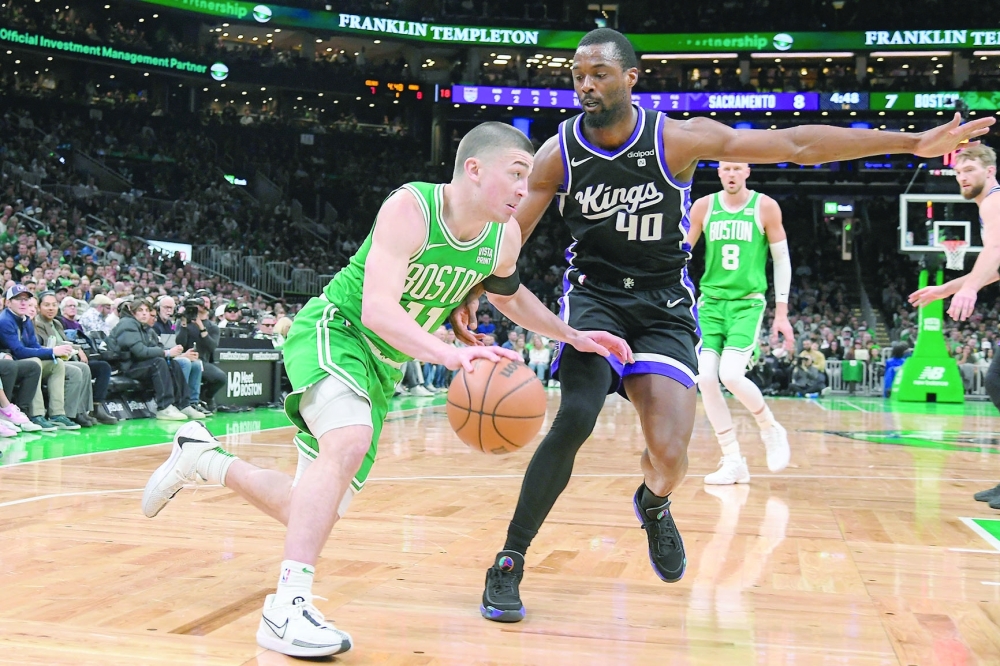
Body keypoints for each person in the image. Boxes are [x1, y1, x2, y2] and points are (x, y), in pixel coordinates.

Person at [460, 27, 992, 624]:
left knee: (670, 456)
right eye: (578, 75)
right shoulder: (559, 152)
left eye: (599, 74)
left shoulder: (678, 139)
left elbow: (796, 143)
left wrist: (913, 141)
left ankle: (653, 503)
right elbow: (511, 237)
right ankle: (509, 560)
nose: (586, 85)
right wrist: (472, 287)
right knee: (575, 417)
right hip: (595, 299)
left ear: (631, 78)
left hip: (662, 307)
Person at [140, 122, 631, 658]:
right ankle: (286, 608)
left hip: (384, 368)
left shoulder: (504, 238)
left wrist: (573, 335)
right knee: (349, 440)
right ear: (473, 169)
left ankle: (202, 458)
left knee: (310, 509)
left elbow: (510, 297)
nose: (524, 188)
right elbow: (376, 309)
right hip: (338, 330)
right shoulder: (411, 208)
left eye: (528, 177)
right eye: (516, 173)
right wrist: (450, 354)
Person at [686, 162, 793, 486]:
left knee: (730, 375)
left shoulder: (765, 207)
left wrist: (781, 313)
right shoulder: (704, 206)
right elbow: (681, 254)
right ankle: (733, 460)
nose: (731, 174)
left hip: (747, 303)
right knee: (705, 378)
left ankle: (769, 427)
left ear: (747, 171)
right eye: (726, 168)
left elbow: (782, 260)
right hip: (711, 303)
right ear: (719, 172)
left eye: (737, 168)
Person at [909, 144, 1000, 507]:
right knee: (997, 384)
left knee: (997, 383)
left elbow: (995, 254)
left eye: (970, 170)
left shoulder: (994, 202)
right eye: (958, 172)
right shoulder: (988, 205)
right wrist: (945, 289)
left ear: (990, 172)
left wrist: (970, 289)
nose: (962, 177)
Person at [0, 286, 81, 431]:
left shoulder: (25, 319)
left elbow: (34, 345)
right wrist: (51, 351)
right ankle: (36, 414)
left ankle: (57, 414)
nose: (23, 303)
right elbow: (18, 351)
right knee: (35, 362)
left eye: (26, 299)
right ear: (8, 302)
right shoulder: (5, 320)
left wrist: (53, 353)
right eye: (18, 299)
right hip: (11, 362)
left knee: (57, 364)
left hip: (20, 360)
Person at [111, 298, 202, 421]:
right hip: (127, 366)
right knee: (159, 362)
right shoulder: (127, 324)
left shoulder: (146, 327)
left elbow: (157, 346)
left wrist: (171, 353)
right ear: (133, 313)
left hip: (140, 364)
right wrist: (166, 352)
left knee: (173, 364)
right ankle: (164, 407)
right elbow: (139, 351)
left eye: (146, 310)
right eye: (140, 310)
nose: (144, 313)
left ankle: (183, 404)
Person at [35, 290, 116, 426]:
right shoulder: (38, 324)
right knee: (80, 369)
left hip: (67, 358)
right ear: (39, 307)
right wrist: (75, 349)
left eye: (54, 305)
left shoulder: (57, 323)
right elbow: (49, 345)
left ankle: (84, 410)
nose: (51, 308)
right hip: (52, 360)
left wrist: (78, 349)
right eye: (47, 305)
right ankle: (71, 413)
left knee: (97, 367)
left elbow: (65, 342)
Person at [175, 293, 225, 412]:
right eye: (200, 301)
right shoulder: (184, 321)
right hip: (185, 358)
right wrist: (183, 323)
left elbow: (212, 347)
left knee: (221, 377)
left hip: (203, 360)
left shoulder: (213, 327)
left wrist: (201, 326)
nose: (203, 304)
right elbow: (180, 342)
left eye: (206, 302)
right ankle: (186, 402)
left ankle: (206, 396)